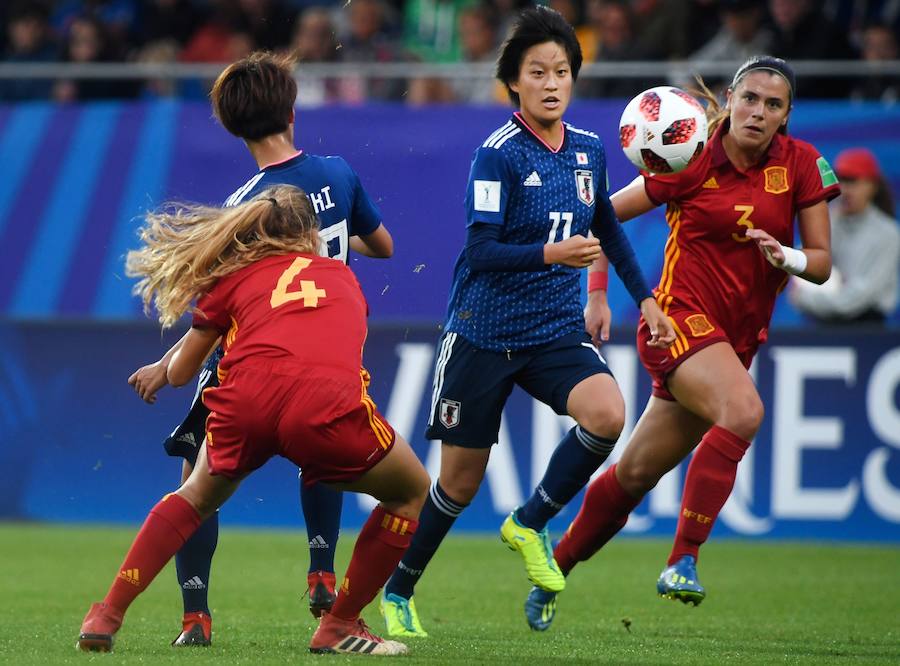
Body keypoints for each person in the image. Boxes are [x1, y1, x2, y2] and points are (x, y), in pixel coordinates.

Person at [378, 6, 675, 638]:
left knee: (608, 415)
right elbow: (480, 251)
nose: (550, 83)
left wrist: (644, 299)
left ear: (573, 79)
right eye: (536, 71)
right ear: (513, 81)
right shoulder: (497, 156)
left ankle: (531, 520)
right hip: (483, 333)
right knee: (457, 482)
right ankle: (399, 589)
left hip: (553, 329)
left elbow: (609, 232)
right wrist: (551, 253)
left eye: (561, 71)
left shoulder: (590, 152)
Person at [524, 55, 840, 631]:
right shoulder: (691, 155)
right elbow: (600, 217)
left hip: (734, 340)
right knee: (744, 412)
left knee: (637, 473)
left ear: (786, 116)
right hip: (675, 321)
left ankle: (555, 567)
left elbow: (820, 265)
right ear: (731, 98)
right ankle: (682, 560)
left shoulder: (801, 166)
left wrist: (787, 256)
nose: (758, 112)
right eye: (750, 98)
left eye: (774, 105)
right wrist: (597, 295)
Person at [76, 185, 429, 656]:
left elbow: (183, 374)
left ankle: (106, 614)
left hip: (247, 402)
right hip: (322, 408)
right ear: (313, 234)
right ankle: (339, 623)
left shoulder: (231, 280)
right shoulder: (344, 280)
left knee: (196, 495)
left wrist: (163, 370)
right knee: (410, 492)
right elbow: (332, 356)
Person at [126, 51, 394, 646]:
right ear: (293, 112)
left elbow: (218, 310)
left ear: (230, 125)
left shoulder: (244, 205)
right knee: (321, 453)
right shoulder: (340, 174)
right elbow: (385, 245)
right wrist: (336, 241)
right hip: (327, 348)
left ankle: (195, 617)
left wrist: (167, 367)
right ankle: (322, 568)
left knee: (194, 478)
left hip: (251, 362)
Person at [791, 147, 900, 324]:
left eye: (853, 181)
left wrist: (809, 299)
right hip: (822, 325)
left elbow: (862, 295)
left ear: (872, 186)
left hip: (868, 329)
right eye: (840, 180)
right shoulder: (826, 222)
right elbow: (803, 268)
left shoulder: (888, 233)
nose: (845, 189)